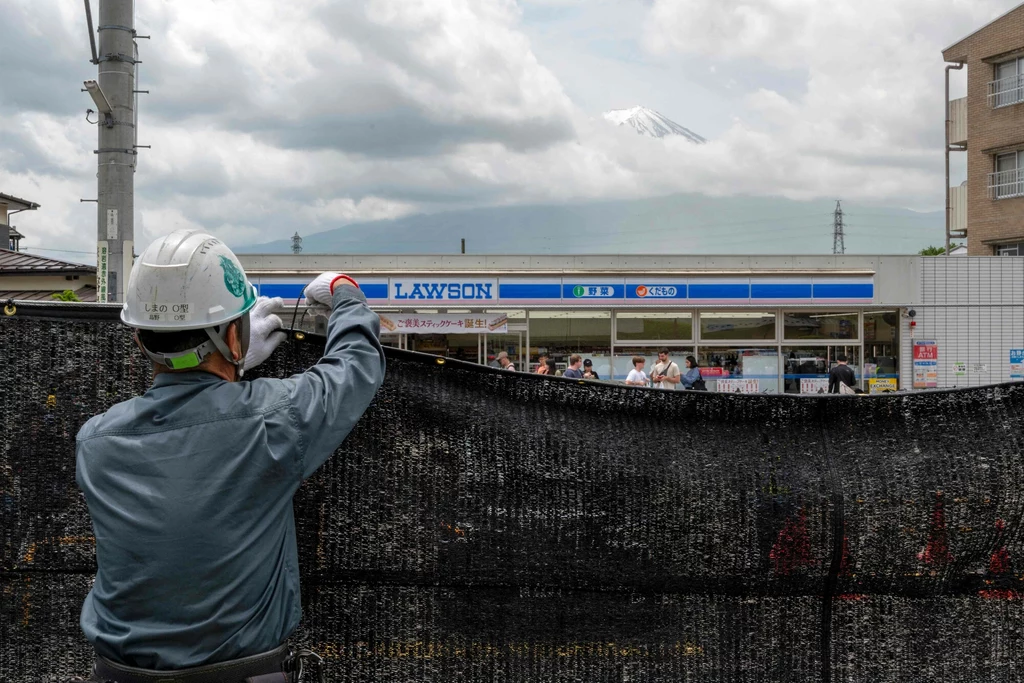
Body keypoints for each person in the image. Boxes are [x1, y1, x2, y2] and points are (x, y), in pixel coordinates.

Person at [73, 230, 386, 681]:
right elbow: (356, 365)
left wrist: (228, 368)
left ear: (140, 338)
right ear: (234, 339)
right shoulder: (273, 420)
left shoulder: (96, 441)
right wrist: (343, 292)